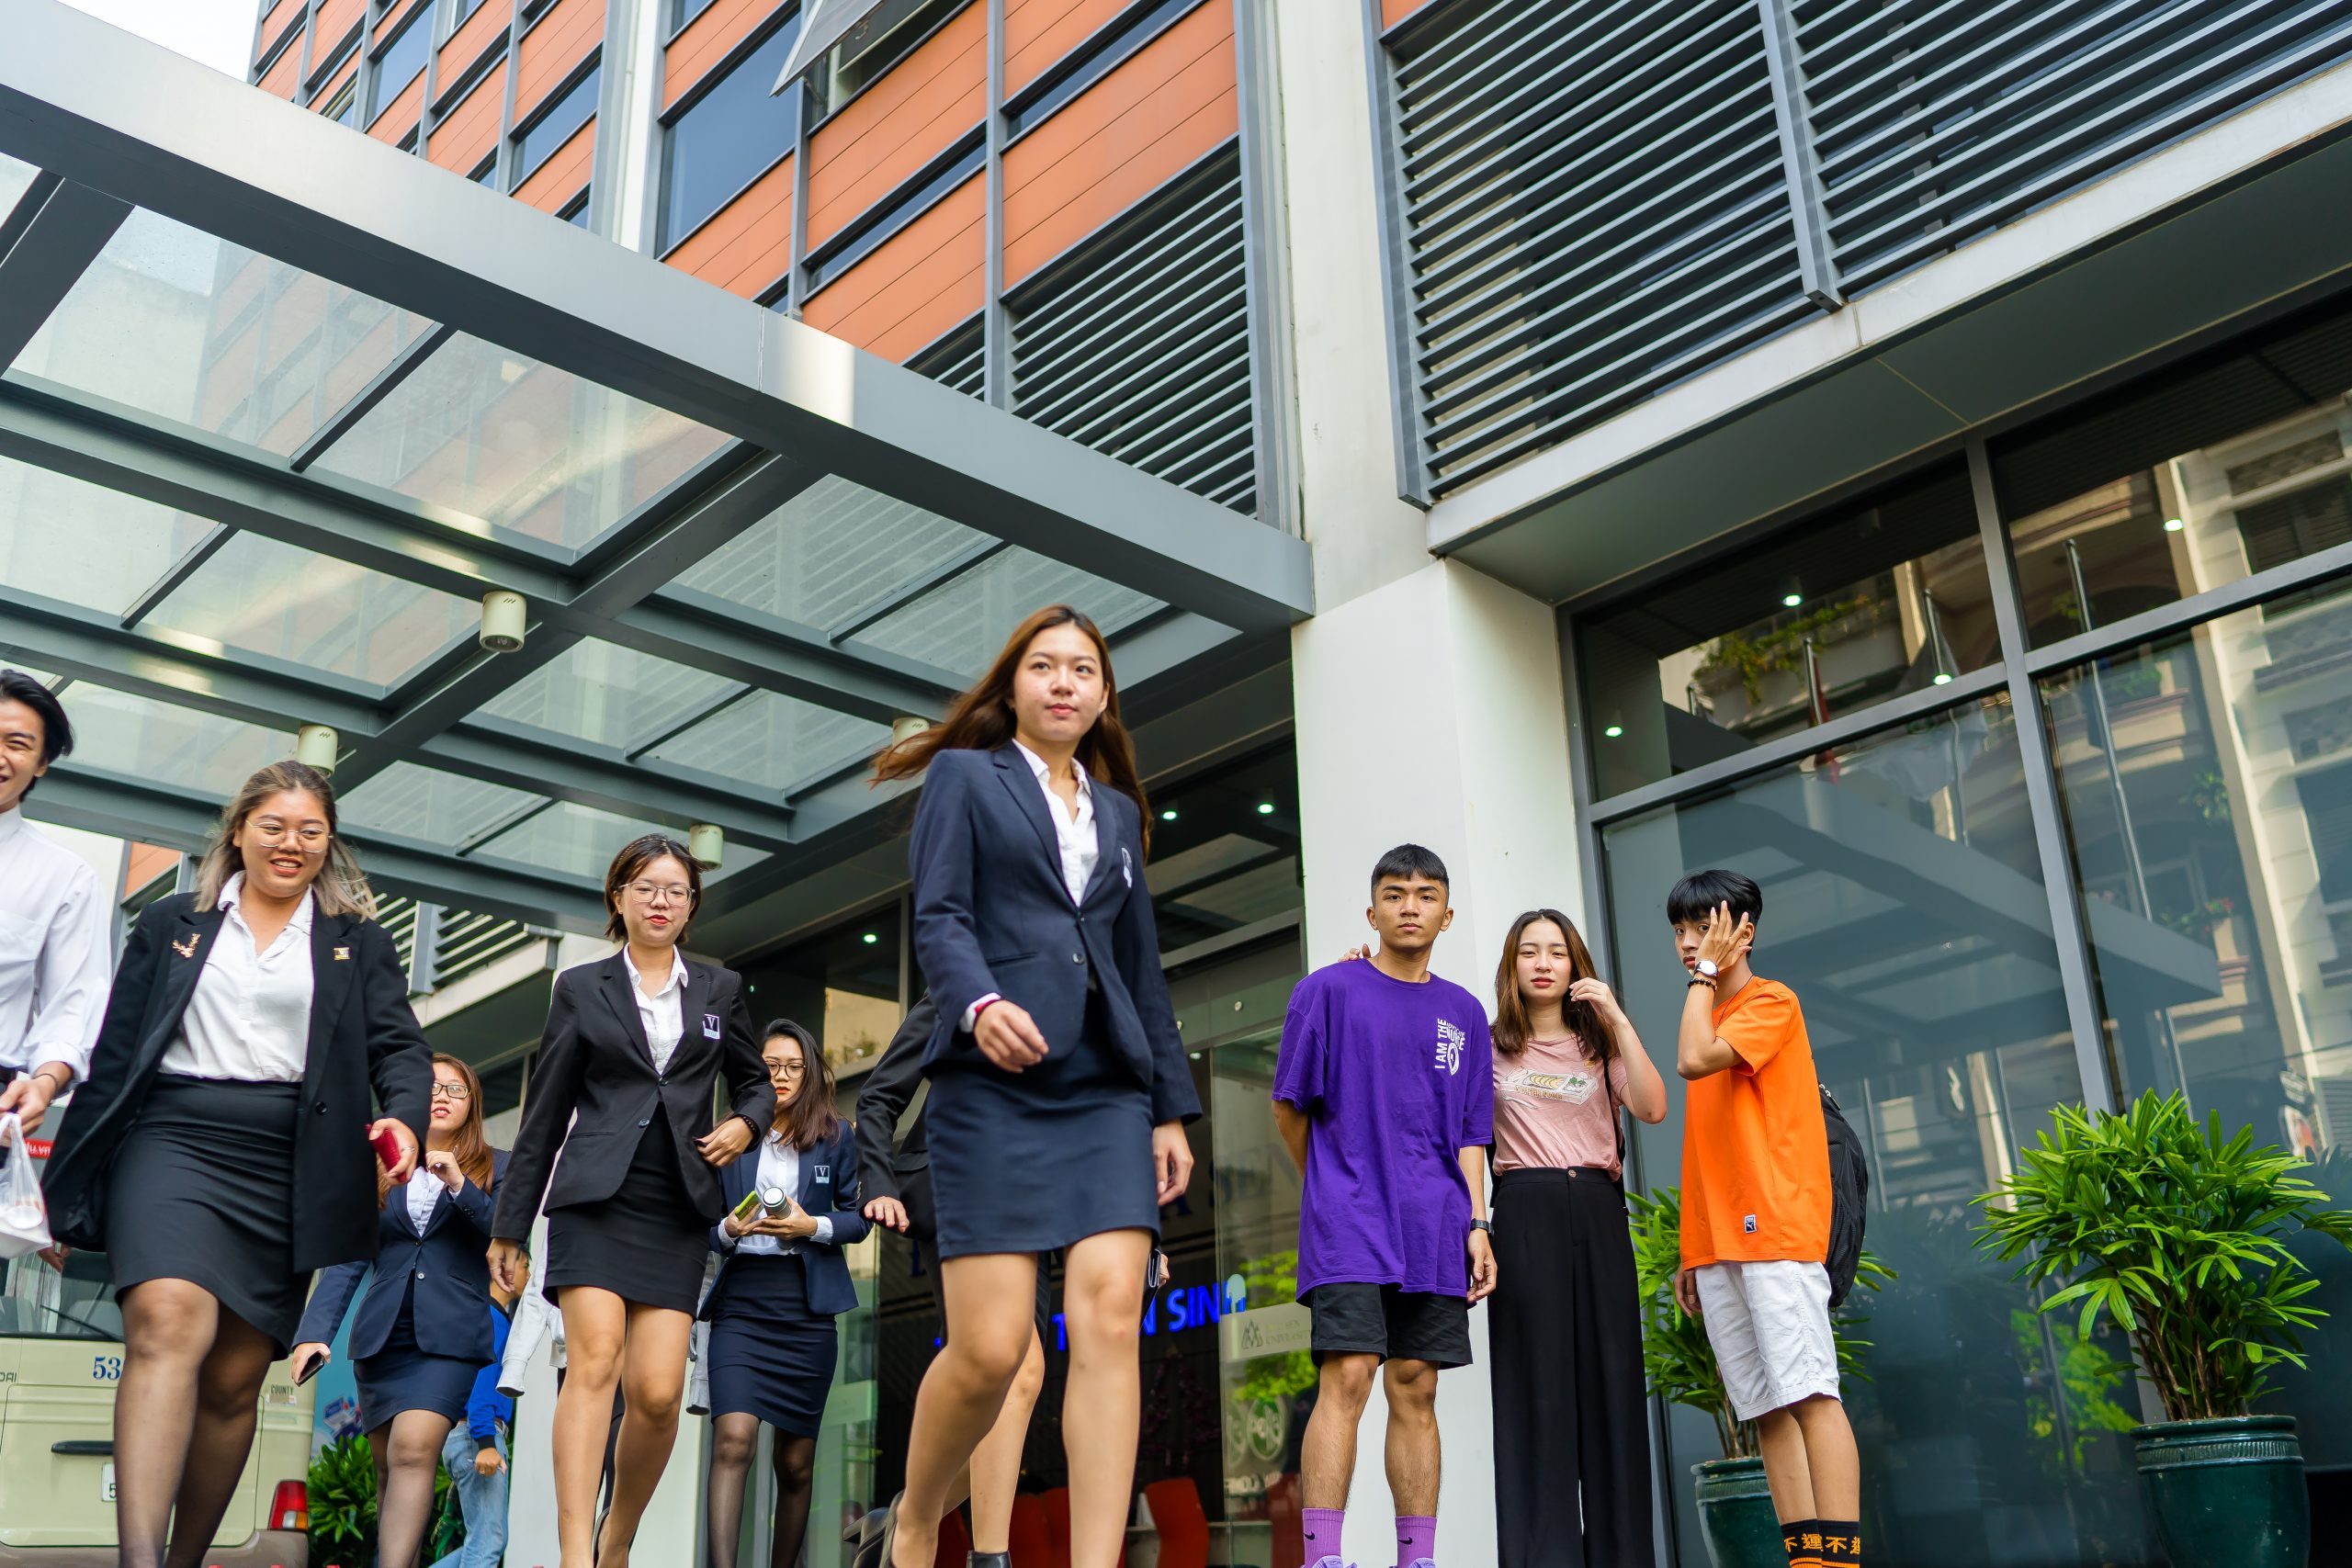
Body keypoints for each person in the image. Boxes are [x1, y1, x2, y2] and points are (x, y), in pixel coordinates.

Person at [39, 760, 430, 1568]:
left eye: (310, 830)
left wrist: (403, 1116)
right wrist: (62, 1191)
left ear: (329, 842)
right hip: (172, 1139)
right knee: (167, 1322)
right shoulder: (171, 922)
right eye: (274, 826)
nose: (291, 843)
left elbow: (399, 1048)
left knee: (231, 1381)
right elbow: (115, 1058)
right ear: (239, 829)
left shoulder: (357, 943)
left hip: (292, 1163)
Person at [869, 604, 1198, 1568]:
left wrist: (1171, 1108)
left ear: (1103, 697)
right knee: (990, 1350)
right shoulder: (965, 777)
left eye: (1082, 670)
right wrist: (977, 1005)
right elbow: (940, 918)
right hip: (993, 1086)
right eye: (1045, 666)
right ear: (1013, 685)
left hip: (1106, 1087)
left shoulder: (1116, 813)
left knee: (1111, 1317)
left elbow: (1140, 969)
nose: (1063, 682)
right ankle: (917, 1518)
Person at [489, 834, 774, 1568]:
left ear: (691, 905)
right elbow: (543, 1114)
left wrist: (746, 1123)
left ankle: (617, 1534)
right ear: (618, 897)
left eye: (676, 890)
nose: (660, 901)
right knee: (594, 1362)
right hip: (592, 1198)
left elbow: (754, 1082)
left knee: (657, 1393)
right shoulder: (581, 987)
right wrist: (510, 1226)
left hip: (677, 1203)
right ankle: (574, 1552)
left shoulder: (720, 988)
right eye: (646, 887)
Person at [1272, 844, 1494, 1568]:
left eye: (1426, 895)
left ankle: (1416, 1558)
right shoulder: (1327, 991)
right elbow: (1288, 1105)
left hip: (1435, 1223)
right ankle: (1324, 1557)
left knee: (1416, 1385)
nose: (1409, 906)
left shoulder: (1465, 1012)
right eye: (1395, 894)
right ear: (1372, 911)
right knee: (1349, 1374)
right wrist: (1329, 1185)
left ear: (1446, 915)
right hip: (1351, 1220)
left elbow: (1471, 1134)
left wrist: (1478, 1223)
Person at [1668, 870, 1860, 1568]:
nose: (1689, 944)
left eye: (1704, 928)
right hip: (1720, 1244)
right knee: (1766, 1409)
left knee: (1811, 1395)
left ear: (1743, 932)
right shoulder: (1707, 1009)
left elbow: (1693, 1061)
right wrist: (1693, 1249)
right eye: (1681, 931)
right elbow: (1707, 1148)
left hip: (1775, 1231)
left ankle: (1840, 1559)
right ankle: (1806, 1558)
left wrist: (1705, 976)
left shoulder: (1771, 1001)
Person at [1487, 909, 1667, 1568]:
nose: (1543, 963)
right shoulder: (1487, 1046)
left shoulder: (1599, 1045)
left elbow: (1652, 1107)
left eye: (1557, 952)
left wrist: (1617, 1019)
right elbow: (1465, 1142)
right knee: (1534, 1392)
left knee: (1612, 1385)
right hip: (1524, 1210)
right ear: (1512, 966)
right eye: (1529, 951)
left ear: (1575, 964)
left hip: (1596, 1209)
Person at [853, 995, 1049, 1568]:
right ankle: (989, 1556)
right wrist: (878, 1181)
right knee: (1010, 1369)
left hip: (1035, 1198)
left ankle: (907, 1513)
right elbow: (879, 1096)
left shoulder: (1070, 984)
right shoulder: (957, 984)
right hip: (959, 1181)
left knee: (1023, 1379)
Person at [290, 1054, 506, 1568]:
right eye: (431, 1086)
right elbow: (348, 1257)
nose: (441, 1096)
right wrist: (314, 1332)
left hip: (450, 1338)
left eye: (455, 1089)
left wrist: (459, 1183)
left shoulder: (499, 1165)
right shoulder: (381, 1168)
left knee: (412, 1452)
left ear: (472, 1104)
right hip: (382, 1340)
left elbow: (502, 1231)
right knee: (391, 1472)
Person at [702, 1019, 871, 1568]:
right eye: (771, 1065)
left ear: (809, 1073)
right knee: (733, 1440)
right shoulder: (729, 1136)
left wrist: (810, 1226)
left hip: (806, 1308)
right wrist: (729, 1229)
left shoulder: (836, 1135)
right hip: (742, 1305)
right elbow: (699, 1225)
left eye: (793, 1066)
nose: (781, 1076)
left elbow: (857, 1219)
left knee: (795, 1464)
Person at [0, 669, 110, 1138]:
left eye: (17, 743)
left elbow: (73, 1003)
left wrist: (44, 1082)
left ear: (42, 762)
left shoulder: (66, 878)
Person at [429, 1285, 516, 1568]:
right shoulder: (492, 1317)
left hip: (466, 1434)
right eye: (526, 1266)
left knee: (485, 1540)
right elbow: (481, 1381)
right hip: (476, 1434)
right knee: (486, 1541)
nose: (530, 1275)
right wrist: (486, 1442)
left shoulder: (481, 1314)